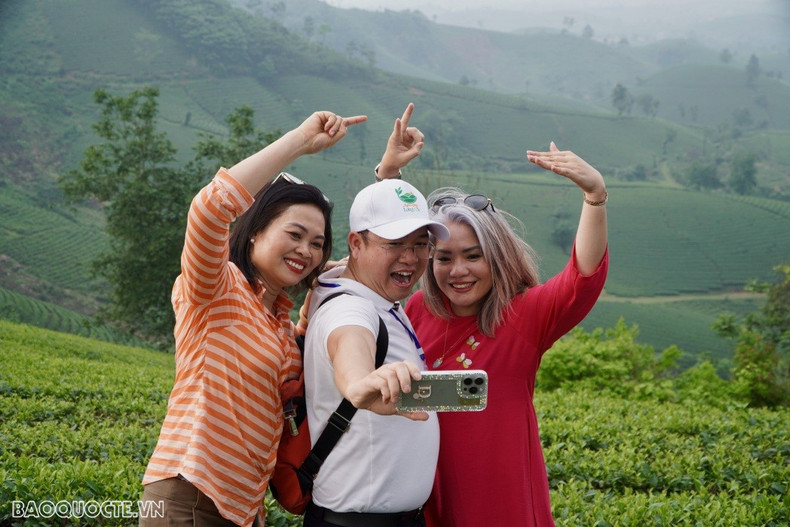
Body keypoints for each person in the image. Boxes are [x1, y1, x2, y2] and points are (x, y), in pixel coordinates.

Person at [140, 110, 367, 527]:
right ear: (256, 231)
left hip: (243, 509)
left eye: (317, 244)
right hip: (189, 494)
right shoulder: (215, 289)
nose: (307, 251)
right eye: (294, 235)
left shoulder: (280, 323)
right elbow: (209, 209)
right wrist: (298, 140)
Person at [403, 141, 609, 526]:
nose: (458, 270)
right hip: (426, 496)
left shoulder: (524, 315)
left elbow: (582, 280)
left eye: (473, 255)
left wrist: (594, 196)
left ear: (495, 256)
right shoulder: (418, 311)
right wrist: (388, 178)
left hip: (501, 502)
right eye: (444, 258)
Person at [300, 105, 449, 527]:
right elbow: (352, 356)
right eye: (395, 244)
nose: (411, 258)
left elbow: (363, 255)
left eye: (421, 243)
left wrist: (387, 178)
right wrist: (363, 385)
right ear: (357, 244)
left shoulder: (352, 287)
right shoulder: (351, 309)